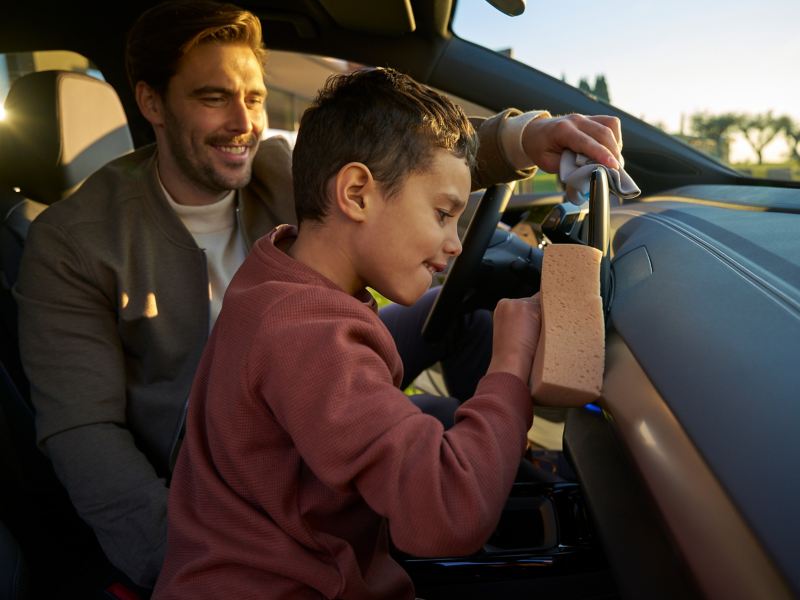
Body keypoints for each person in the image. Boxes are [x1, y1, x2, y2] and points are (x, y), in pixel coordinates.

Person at [14, 0, 624, 590]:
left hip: (294, 385)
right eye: (212, 97)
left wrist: (527, 137)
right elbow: (84, 434)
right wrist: (185, 558)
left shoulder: (280, 174)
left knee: (460, 310)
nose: (244, 122)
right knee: (440, 420)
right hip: (224, 485)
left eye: (253, 97)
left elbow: (402, 155)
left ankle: (510, 460)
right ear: (152, 101)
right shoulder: (74, 243)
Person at [153, 66, 542, 600]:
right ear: (356, 192)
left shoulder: (281, 270)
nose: (455, 244)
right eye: (443, 214)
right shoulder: (306, 334)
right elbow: (448, 512)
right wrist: (512, 366)